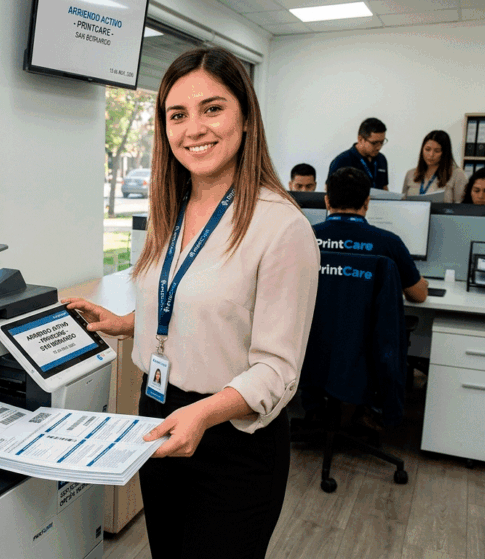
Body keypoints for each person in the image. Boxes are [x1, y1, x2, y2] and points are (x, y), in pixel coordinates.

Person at [63, 47, 319, 559]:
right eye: (177, 115)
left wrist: (203, 415)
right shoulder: (167, 209)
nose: (193, 128)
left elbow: (277, 371)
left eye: (212, 108)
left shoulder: (282, 227)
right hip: (157, 413)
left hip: (231, 437)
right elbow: (191, 308)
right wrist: (125, 322)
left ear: (245, 117)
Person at [315, 167, 429, 303]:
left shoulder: (307, 237)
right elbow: (418, 295)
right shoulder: (389, 242)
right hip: (368, 324)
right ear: (367, 202)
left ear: (327, 201)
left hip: (315, 324)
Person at [401, 130, 467, 202]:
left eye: (437, 151)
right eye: (427, 149)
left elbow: (461, 207)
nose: (431, 154)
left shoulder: (457, 174)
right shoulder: (411, 174)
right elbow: (403, 203)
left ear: (445, 153)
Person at [329, 117, 389, 190]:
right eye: (374, 143)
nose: (378, 147)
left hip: (377, 201)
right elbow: (329, 190)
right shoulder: (342, 161)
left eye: (382, 142)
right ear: (360, 139)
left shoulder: (381, 159)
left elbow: (384, 187)